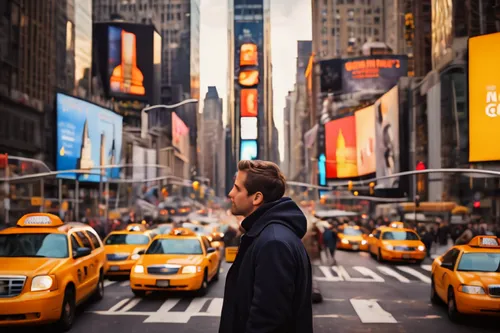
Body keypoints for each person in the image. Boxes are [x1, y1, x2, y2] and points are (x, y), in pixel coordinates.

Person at [219, 160, 313, 333]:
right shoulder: (268, 235)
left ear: (257, 197)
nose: (231, 193)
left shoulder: (273, 244)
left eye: (237, 188)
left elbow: (267, 322)